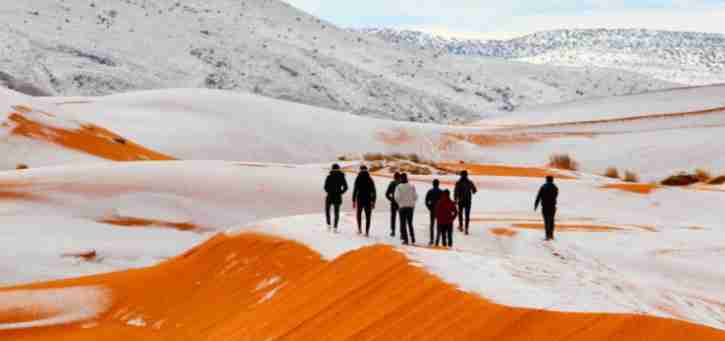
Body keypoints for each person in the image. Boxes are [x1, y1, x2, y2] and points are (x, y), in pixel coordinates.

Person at [352, 165, 377, 236]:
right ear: (367, 170)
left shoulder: (358, 178)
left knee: (359, 215)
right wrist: (373, 201)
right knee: (368, 216)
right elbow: (374, 191)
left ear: (360, 170)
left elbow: (355, 190)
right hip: (368, 199)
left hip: (360, 199)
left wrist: (353, 201)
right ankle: (367, 232)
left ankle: (359, 230)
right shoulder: (370, 179)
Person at [394, 173, 418, 245]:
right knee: (410, 223)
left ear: (401, 178)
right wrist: (412, 203)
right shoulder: (412, 186)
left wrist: (400, 203)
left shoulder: (399, 187)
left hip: (402, 207)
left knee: (403, 224)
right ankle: (413, 238)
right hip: (410, 207)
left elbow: (396, 197)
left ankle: (406, 240)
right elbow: (415, 197)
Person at [324, 164, 348, 231]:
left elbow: (325, 187)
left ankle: (328, 225)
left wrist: (329, 191)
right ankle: (335, 227)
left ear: (332, 169)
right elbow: (346, 187)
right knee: (336, 212)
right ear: (338, 168)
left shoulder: (329, 176)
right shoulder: (341, 176)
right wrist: (340, 193)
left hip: (329, 196)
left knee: (327, 211)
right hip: (338, 196)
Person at [535, 176, 559, 241]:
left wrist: (536, 205)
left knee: (546, 221)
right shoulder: (555, 187)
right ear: (552, 180)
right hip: (552, 206)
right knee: (551, 220)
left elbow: (538, 196)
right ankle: (551, 235)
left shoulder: (543, 187)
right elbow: (556, 196)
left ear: (546, 180)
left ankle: (547, 235)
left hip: (545, 207)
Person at [454, 170, 477, 235]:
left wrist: (455, 200)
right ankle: (466, 229)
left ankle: (461, 226)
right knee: (467, 215)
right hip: (468, 201)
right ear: (467, 175)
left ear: (461, 175)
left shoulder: (458, 183)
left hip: (461, 201)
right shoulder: (470, 182)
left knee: (460, 214)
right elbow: (474, 191)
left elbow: (455, 192)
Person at [425, 179, 443, 245]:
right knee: (438, 225)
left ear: (433, 184)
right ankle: (437, 240)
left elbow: (426, 201)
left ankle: (431, 239)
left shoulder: (430, 191)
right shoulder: (441, 192)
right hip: (439, 211)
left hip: (432, 209)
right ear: (438, 184)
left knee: (432, 225)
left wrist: (429, 208)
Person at [385, 172, 402, 237]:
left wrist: (391, 199)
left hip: (393, 202)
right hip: (400, 202)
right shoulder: (402, 184)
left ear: (394, 177)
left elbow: (386, 194)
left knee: (393, 217)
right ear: (399, 177)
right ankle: (401, 232)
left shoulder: (392, 183)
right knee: (401, 218)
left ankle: (393, 231)